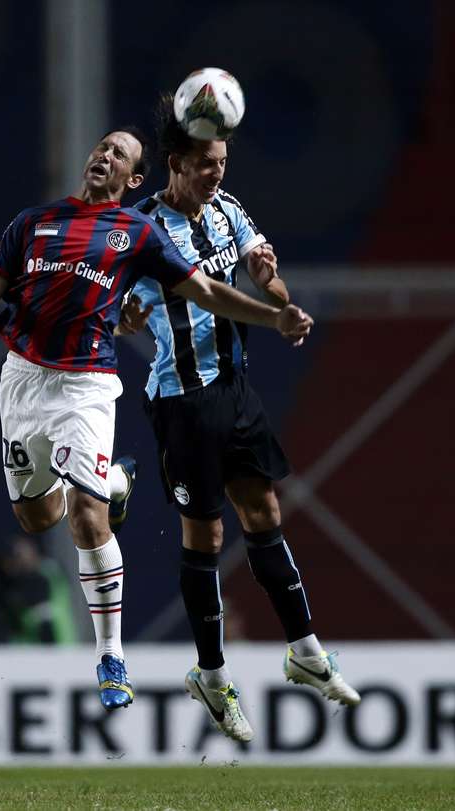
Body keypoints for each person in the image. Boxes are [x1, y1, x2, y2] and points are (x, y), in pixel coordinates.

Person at [0, 125, 313, 712]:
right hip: (22, 379)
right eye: (102, 147)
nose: (105, 154)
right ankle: (116, 480)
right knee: (35, 518)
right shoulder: (34, 222)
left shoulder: (137, 231)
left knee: (86, 518)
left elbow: (203, 290)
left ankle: (111, 656)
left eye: (119, 153)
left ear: (134, 177)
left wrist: (272, 317)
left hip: (86, 383)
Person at [123, 99, 360, 741]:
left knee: (264, 512)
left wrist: (273, 287)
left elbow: (267, 282)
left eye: (223, 163)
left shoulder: (229, 211)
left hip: (235, 389)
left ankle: (305, 651)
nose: (217, 174)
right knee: (206, 537)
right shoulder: (142, 229)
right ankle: (211, 673)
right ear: (176, 162)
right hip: (183, 401)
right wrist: (126, 317)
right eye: (207, 164)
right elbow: (128, 309)